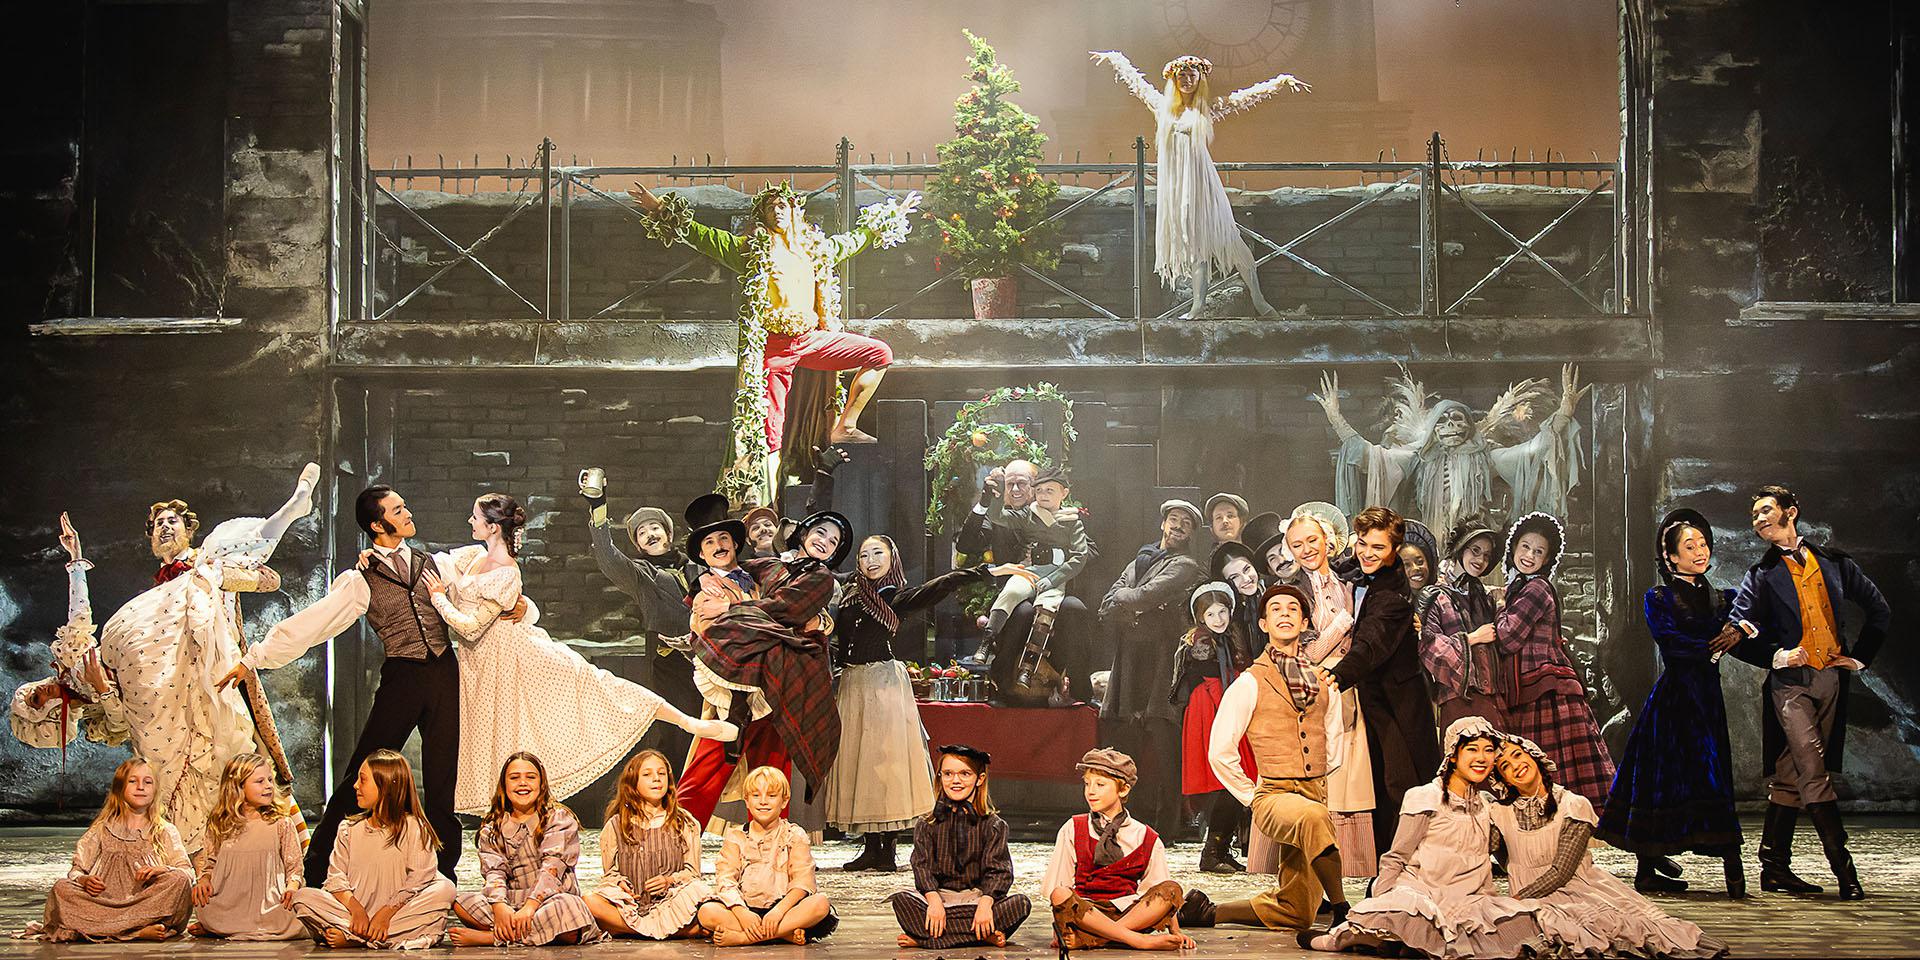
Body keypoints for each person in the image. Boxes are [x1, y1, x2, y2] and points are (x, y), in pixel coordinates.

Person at [14, 464, 319, 854]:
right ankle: (209, 857)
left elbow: (268, 580)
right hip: (167, 695)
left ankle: (292, 508)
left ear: (187, 528)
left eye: (172, 521)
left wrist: (77, 562)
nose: (165, 528)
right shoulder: (156, 599)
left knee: (232, 749)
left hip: (213, 665)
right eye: (158, 525)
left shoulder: (202, 565)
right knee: (194, 770)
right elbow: (120, 713)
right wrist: (105, 689)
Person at [223, 485, 499, 883]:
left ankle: (443, 875)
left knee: (443, 782)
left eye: (405, 506)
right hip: (403, 676)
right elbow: (313, 623)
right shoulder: (359, 579)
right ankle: (316, 868)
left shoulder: (437, 563)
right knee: (362, 770)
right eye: (397, 510)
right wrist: (254, 659)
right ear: (377, 524)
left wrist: (525, 605)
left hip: (444, 672)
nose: (407, 513)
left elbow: (498, 573)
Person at [418, 493, 734, 812]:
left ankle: (689, 723)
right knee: (505, 738)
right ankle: (507, 817)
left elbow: (472, 625)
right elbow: (435, 566)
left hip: (518, 656)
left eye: (475, 517)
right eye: (642, 531)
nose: (470, 522)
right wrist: (374, 559)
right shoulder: (471, 557)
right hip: (488, 666)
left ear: (493, 527)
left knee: (602, 688)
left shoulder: (505, 572)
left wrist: (440, 598)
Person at [628, 180, 918, 505]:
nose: (777, 211)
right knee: (769, 432)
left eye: (783, 205)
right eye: (770, 207)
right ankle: (763, 506)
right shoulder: (751, 250)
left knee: (879, 353)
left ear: (795, 211)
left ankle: (844, 426)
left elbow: (852, 241)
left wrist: (894, 214)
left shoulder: (814, 250)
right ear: (763, 216)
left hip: (811, 339)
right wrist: (659, 209)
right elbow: (703, 237)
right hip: (775, 348)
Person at [1728, 485, 1889, 901]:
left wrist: (1859, 659)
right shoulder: (1760, 575)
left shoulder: (1833, 563)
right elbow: (1734, 631)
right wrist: (1776, 655)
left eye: (1766, 511)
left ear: (1791, 512)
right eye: (1754, 515)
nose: (1759, 519)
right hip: (1791, 687)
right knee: (1813, 772)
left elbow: (1879, 608)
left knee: (1789, 775)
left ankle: (1774, 866)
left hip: (1831, 680)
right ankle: (1846, 873)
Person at [1597, 509, 1746, 897]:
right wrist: (1715, 647)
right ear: (1671, 557)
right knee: (1660, 779)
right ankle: (1647, 868)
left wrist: (1742, 630)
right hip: (1674, 700)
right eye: (1689, 546)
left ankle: (1734, 873)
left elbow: (1752, 615)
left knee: (1713, 775)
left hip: (1707, 700)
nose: (1699, 551)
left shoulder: (1721, 598)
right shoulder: (1659, 597)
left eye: (1703, 544)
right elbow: (1673, 644)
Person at [1091, 51, 1308, 317]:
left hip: (1202, 183)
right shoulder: (1161, 106)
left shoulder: (1206, 108)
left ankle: (1260, 301)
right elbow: (1137, 84)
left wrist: (1280, 81)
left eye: (1192, 75)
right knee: (1195, 247)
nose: (1187, 80)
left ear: (1199, 79)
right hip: (1177, 187)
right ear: (1174, 78)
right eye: (1182, 75)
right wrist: (1115, 58)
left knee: (1230, 239)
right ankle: (1198, 306)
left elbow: (1243, 98)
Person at [1308, 717, 1545, 957]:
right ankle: (1342, 940)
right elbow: (1397, 856)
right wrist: (1381, 904)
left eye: (1488, 750)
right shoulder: (1425, 797)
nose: (1482, 758)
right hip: (1422, 891)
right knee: (1408, 915)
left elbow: (1509, 854)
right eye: (1472, 749)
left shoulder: (1488, 807)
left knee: (1524, 927)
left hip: (1468, 900)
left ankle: (1398, 945)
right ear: (1453, 755)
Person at [824, 536, 990, 871]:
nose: (871, 560)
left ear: (892, 558)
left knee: (887, 763)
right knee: (861, 763)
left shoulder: (894, 596)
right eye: (865, 554)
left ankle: (888, 849)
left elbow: (936, 588)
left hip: (882, 683)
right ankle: (871, 847)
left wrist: (979, 572)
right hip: (852, 682)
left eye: (878, 554)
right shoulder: (850, 594)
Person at [681, 511, 852, 827]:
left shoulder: (819, 577)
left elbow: (788, 609)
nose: (825, 541)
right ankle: (674, 843)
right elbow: (729, 578)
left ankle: (771, 848)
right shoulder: (768, 567)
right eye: (820, 532)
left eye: (834, 541)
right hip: (737, 689)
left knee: (771, 775)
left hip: (780, 683)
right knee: (707, 768)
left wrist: (816, 623)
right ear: (803, 532)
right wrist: (701, 576)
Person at [1491, 737, 1728, 957]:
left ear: (1534, 756)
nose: (1515, 765)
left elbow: (1561, 872)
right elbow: (1500, 855)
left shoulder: (1573, 805)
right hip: (1529, 897)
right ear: (1502, 779)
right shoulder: (1499, 812)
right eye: (1504, 766)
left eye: (1517, 755)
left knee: (1604, 935)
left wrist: (1519, 898)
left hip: (1575, 891)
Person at [1207, 584, 1348, 935]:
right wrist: (1252, 796)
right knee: (1314, 818)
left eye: (1292, 610)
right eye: (1276, 610)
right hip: (1274, 795)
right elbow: (1220, 750)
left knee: (1298, 912)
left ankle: (1209, 912)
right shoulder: (1250, 683)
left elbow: (1335, 738)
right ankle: (1344, 911)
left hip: (1314, 792)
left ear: (1304, 624)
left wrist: (1316, 777)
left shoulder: (1322, 682)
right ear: (1264, 624)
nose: (1285, 614)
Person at [1313, 365, 1587, 538]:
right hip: (1428, 541)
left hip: (1475, 542)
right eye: (1443, 421)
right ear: (1433, 428)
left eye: (1458, 419)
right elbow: (1371, 456)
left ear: (1469, 425)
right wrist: (1337, 418)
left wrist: (1563, 414)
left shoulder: (1484, 455)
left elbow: (1532, 451)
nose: (1451, 426)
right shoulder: (1420, 456)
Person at [1469, 512, 1613, 810]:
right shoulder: (1519, 587)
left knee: (1557, 763)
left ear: (1546, 559)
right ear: (1514, 548)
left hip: (1546, 689)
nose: (1529, 556)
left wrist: (1498, 605)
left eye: (1538, 552)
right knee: (1542, 764)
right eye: (1525, 547)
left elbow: (1508, 637)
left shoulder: (1537, 588)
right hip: (1530, 686)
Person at [1326, 507, 1439, 865]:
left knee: (1401, 783)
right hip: (1370, 698)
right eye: (1363, 543)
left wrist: (1337, 675)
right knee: (1375, 783)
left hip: (1397, 700)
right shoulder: (1356, 571)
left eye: (1378, 547)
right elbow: (1342, 566)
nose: (1367, 552)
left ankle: (1409, 860)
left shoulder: (1393, 595)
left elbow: (1370, 644)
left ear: (1395, 550)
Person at [581, 471, 705, 762]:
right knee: (679, 734)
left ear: (668, 533)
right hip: (670, 662)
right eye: (642, 532)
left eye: (654, 528)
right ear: (637, 545)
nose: (650, 534)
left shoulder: (698, 565)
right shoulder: (641, 575)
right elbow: (608, 557)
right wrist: (598, 508)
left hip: (711, 658)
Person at [1099, 500, 1205, 831]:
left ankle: (1169, 825)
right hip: (1131, 659)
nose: (1178, 526)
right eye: (1173, 519)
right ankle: (1125, 821)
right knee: (1126, 742)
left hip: (1160, 660)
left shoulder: (1185, 565)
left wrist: (1133, 601)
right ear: (1162, 523)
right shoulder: (1139, 559)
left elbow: (1143, 596)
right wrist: (1134, 601)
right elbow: (1107, 603)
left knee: (1163, 742)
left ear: (1190, 533)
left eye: (1186, 523)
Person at [287, 750, 457, 949]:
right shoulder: (348, 829)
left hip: (396, 913)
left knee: (445, 889)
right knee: (304, 897)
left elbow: (419, 878)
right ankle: (371, 935)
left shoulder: (414, 827)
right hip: (353, 915)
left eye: (363, 780)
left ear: (384, 786)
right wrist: (357, 911)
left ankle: (356, 937)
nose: (356, 786)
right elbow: (336, 878)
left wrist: (385, 914)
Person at [25, 756, 194, 942]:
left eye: (147, 782)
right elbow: (76, 870)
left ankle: (109, 928)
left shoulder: (165, 830)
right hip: (103, 902)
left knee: (178, 880)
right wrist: (84, 880)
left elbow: (187, 872)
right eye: (132, 781)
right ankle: (135, 931)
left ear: (155, 790)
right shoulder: (102, 829)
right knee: (61, 888)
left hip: (146, 903)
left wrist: (163, 869)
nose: (141, 787)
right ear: (120, 788)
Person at [1040, 748, 1193, 951]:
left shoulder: (1145, 835)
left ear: (1123, 790)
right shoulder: (1073, 827)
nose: (1090, 791)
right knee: (1059, 893)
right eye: (1087, 784)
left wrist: (1176, 932)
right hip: (1087, 914)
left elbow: (1160, 890)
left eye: (1100, 785)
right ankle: (1135, 940)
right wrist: (1059, 928)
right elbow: (1060, 885)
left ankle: (1096, 939)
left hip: (1128, 914)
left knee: (1172, 890)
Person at [448, 752, 602, 946]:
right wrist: (499, 906)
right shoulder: (493, 828)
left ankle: (495, 938)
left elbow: (551, 870)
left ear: (541, 783)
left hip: (549, 900)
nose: (522, 783)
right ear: (504, 785)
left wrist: (530, 907)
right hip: (512, 902)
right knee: (461, 902)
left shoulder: (558, 819)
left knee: (570, 910)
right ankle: (528, 932)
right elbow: (494, 871)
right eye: (514, 778)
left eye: (530, 777)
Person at [889, 744, 1032, 949]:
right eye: (948, 774)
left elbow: (999, 872)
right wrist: (934, 902)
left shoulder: (993, 825)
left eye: (965, 774)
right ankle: (981, 936)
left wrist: (985, 904)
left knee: (1020, 904)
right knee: (901, 901)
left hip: (978, 900)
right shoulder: (927, 824)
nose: (955, 780)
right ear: (940, 777)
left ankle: (925, 939)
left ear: (979, 779)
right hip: (938, 899)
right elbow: (922, 867)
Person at [697, 767, 840, 946]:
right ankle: (782, 934)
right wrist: (742, 913)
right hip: (745, 910)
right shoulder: (736, 836)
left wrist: (778, 912)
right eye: (756, 796)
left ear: (784, 801)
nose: (763, 802)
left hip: (784, 910)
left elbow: (803, 882)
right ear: (747, 801)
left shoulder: (794, 835)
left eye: (771, 796)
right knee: (707, 912)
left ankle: (745, 938)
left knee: (820, 903)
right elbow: (726, 880)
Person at [1169, 582, 1256, 874]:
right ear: (1199, 617)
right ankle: (1212, 852)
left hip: (1227, 704)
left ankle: (1220, 849)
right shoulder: (1200, 642)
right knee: (1224, 780)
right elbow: (1211, 679)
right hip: (1210, 708)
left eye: (1222, 611)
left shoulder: (1230, 637)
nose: (1218, 618)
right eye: (1211, 613)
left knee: (1234, 782)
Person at [585, 750, 713, 940]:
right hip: (633, 905)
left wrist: (669, 881)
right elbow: (609, 873)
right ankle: (671, 931)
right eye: (647, 774)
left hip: (672, 901)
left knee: (703, 897)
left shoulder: (684, 822)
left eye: (661, 774)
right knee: (590, 901)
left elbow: (692, 873)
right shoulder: (616, 825)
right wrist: (620, 883)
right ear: (633, 783)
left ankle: (632, 929)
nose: (656, 779)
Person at [190, 753, 304, 940]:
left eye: (269, 779)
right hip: (231, 900)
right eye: (259, 781)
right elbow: (211, 863)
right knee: (204, 904)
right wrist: (204, 879)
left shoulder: (281, 822)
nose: (268, 786)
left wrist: (292, 887)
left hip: (270, 902)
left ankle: (224, 928)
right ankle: (221, 923)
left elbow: (295, 867)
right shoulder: (220, 823)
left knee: (304, 907)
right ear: (239, 787)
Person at [982, 464, 1091, 660]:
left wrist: (1054, 579)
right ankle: (988, 641)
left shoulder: (1072, 521)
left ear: (1063, 493)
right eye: (1039, 490)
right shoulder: (1028, 514)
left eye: (1050, 490)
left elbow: (1080, 555)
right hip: (1030, 570)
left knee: (1046, 610)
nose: (1043, 495)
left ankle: (1031, 662)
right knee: (1011, 592)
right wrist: (996, 496)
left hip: (1056, 574)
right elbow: (998, 517)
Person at [1418, 518, 1507, 730]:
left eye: (1486, 555)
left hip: (1492, 696)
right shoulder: (1435, 595)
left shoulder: (1486, 597)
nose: (1480, 559)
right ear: (1460, 549)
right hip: (1457, 697)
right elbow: (1429, 647)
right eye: (1475, 550)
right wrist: (1473, 638)